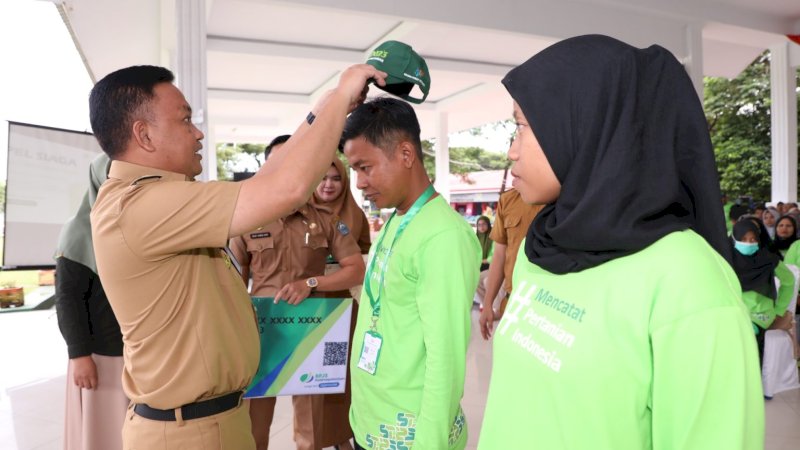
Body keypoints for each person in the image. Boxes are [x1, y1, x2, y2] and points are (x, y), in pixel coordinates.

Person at [478, 35, 763, 449]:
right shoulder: (542, 249)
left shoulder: (689, 281)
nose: (511, 151)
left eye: (520, 126)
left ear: (588, 123)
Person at [89, 64, 386, 449]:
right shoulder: (142, 205)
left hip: (210, 420)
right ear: (144, 134)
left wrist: (321, 111)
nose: (197, 133)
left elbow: (267, 180)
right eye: (185, 121)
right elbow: (288, 188)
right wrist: (341, 97)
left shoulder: (153, 197)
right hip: (190, 432)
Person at [341, 97, 480, 450]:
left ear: (405, 154)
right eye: (354, 169)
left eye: (365, 167)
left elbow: (445, 359)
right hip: (371, 421)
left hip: (412, 436)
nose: (358, 182)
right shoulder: (397, 218)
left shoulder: (444, 236)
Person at [230, 137, 365, 450]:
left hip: (309, 329)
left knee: (312, 425)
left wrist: (311, 284)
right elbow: (234, 278)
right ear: (267, 168)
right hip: (263, 333)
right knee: (254, 423)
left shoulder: (326, 220)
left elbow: (355, 269)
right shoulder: (247, 219)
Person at [55, 153, 128, 450]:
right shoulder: (78, 232)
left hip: (139, 351)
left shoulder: (133, 227)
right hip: (100, 357)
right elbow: (67, 300)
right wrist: (79, 356)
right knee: (103, 433)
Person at [309, 157, 371, 450]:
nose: (328, 185)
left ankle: (348, 436)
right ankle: (324, 438)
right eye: (322, 178)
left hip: (347, 304)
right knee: (316, 379)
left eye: (335, 178)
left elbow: (367, 255)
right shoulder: (300, 213)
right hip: (311, 305)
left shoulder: (355, 214)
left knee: (345, 375)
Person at [478, 187, 543, 339]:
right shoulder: (509, 199)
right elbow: (500, 255)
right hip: (512, 301)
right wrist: (488, 303)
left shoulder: (566, 196)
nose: (514, 162)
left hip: (547, 306)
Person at [730, 220, 795, 364]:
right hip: (735, 311)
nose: (748, 243)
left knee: (745, 339)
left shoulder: (768, 259)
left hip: (759, 315)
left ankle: (753, 381)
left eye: (753, 239)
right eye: (743, 239)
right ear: (734, 239)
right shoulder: (726, 260)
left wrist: (779, 310)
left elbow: (789, 281)